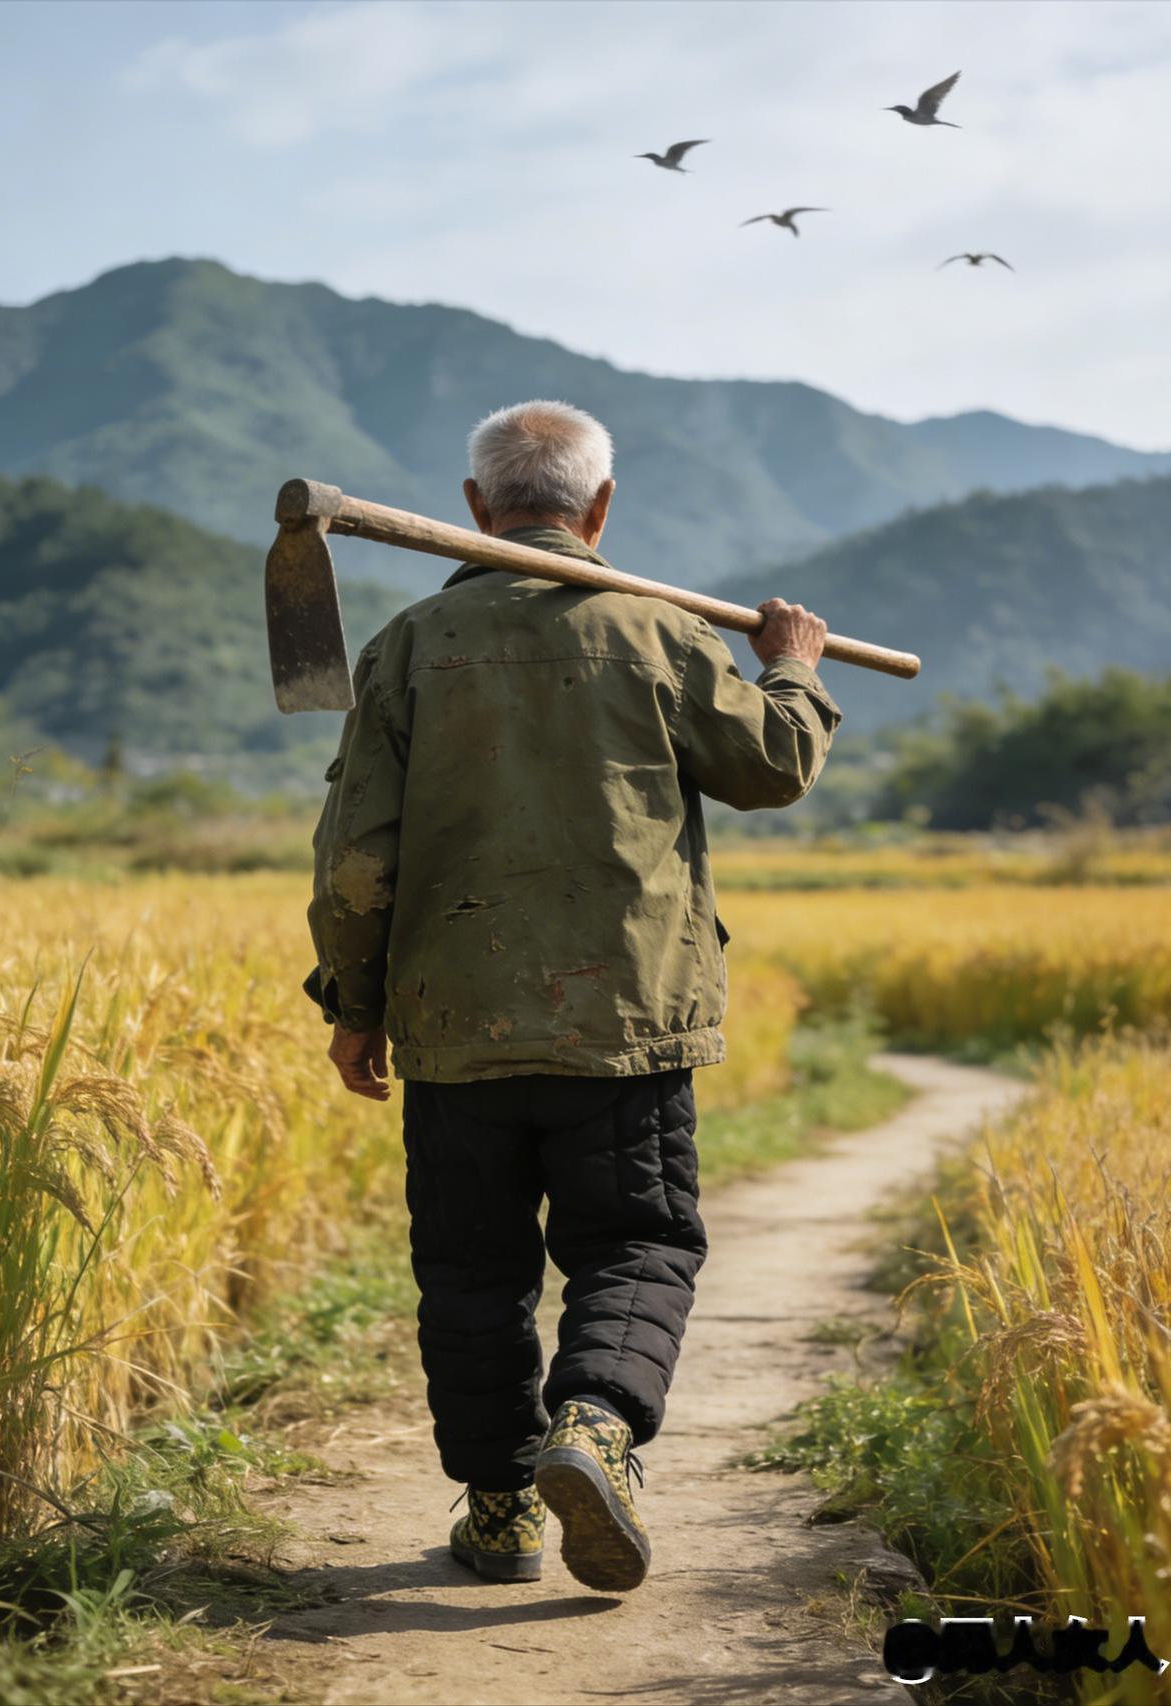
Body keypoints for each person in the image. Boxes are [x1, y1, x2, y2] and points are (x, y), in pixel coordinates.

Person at [305, 399, 840, 1592]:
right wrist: (793, 669)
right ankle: (595, 1425)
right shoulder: (656, 633)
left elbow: (355, 853)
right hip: (625, 1025)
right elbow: (770, 763)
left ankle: (497, 1511)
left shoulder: (407, 647)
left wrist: (353, 1000)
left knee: (468, 1269)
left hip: (454, 1029)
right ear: (600, 509)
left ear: (474, 509)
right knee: (636, 1243)